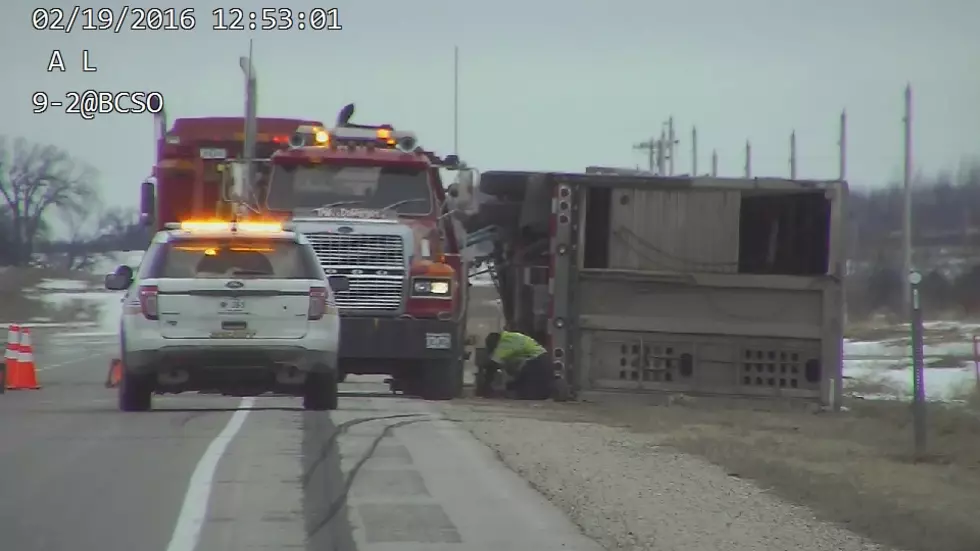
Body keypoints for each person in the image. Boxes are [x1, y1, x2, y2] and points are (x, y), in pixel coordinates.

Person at [481, 331, 552, 400]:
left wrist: (485, 385)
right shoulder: (509, 337)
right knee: (515, 385)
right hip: (543, 359)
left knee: (526, 394)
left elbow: (492, 366)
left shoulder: (504, 344)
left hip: (538, 362)